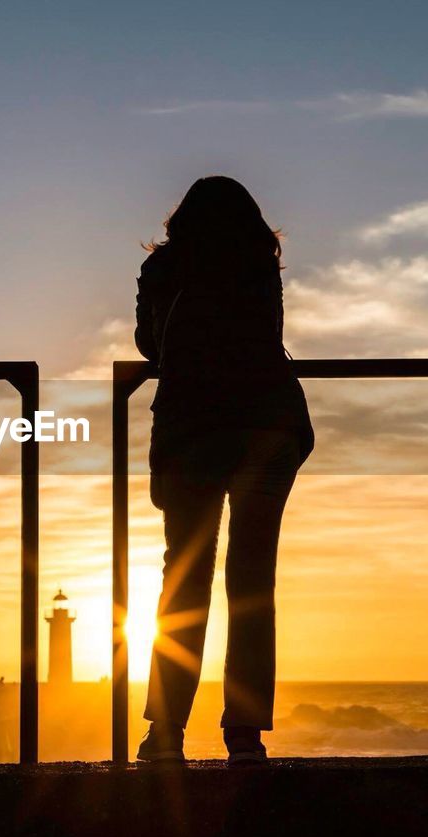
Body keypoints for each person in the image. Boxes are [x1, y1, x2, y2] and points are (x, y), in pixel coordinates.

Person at [133, 177, 312, 765]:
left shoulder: (164, 270)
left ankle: (166, 734)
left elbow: (148, 345)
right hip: (268, 425)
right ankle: (244, 734)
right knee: (253, 581)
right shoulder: (259, 264)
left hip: (191, 431)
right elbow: (270, 337)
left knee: (184, 576)